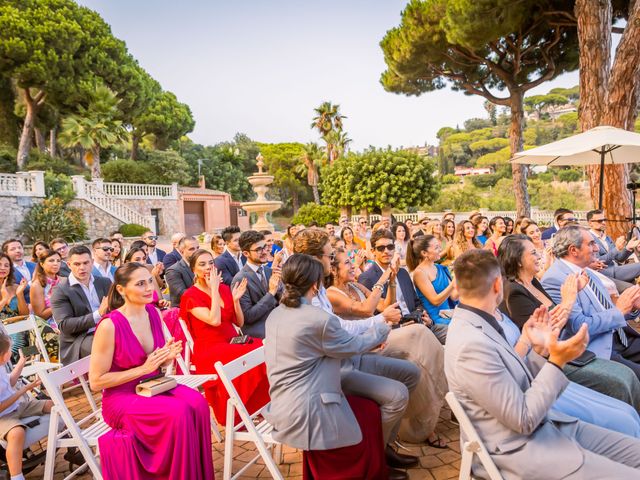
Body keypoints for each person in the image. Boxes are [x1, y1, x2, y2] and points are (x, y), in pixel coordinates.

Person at [446, 248, 640, 479]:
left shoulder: (482, 320)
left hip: (551, 426)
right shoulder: (470, 344)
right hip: (524, 449)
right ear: (498, 285)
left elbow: (508, 372)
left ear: (456, 287)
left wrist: (531, 343)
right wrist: (557, 361)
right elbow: (523, 419)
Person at [292, 229, 421, 474]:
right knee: (397, 395)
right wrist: (379, 326)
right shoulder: (309, 296)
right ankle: (377, 455)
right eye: (330, 256)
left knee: (411, 373)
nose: (332, 261)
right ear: (316, 259)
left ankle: (385, 446)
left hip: (352, 357)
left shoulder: (319, 288)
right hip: (334, 372)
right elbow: (339, 331)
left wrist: (376, 326)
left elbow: (345, 326)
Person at [264, 254, 391, 480]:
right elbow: (352, 345)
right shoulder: (318, 318)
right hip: (308, 410)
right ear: (315, 284)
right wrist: (382, 327)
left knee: (369, 410)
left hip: (282, 403)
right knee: (368, 414)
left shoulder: (276, 313)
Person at [89, 262, 213, 479]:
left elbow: (154, 364)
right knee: (178, 413)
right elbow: (96, 381)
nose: (149, 288)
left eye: (149, 281)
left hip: (152, 386)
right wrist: (144, 368)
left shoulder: (153, 313)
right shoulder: (110, 325)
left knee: (198, 403)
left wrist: (165, 358)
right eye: (140, 284)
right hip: (121, 398)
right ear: (121, 290)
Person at [499, 234, 640, 410]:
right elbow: (544, 334)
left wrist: (628, 308)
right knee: (625, 378)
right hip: (550, 359)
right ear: (518, 260)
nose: (540, 256)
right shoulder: (514, 292)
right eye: (534, 253)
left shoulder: (533, 281)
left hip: (593, 341)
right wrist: (569, 299)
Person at [326, 248, 448, 447]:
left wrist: (391, 280)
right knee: (418, 333)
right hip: (363, 348)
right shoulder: (333, 293)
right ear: (333, 270)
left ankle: (431, 393)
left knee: (418, 356)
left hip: (379, 339)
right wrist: (384, 275)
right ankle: (442, 382)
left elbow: (385, 305)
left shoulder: (356, 286)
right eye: (347, 262)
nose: (352, 265)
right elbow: (366, 311)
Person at [180, 249, 269, 426]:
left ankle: (257, 406)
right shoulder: (190, 295)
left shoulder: (224, 288)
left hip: (233, 341)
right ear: (193, 270)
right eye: (202, 264)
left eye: (211, 263)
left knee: (264, 348)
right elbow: (214, 320)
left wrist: (235, 301)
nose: (208, 267)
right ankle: (239, 412)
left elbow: (239, 321)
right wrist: (213, 289)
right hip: (210, 348)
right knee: (256, 353)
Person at [542, 225, 640, 381]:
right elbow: (579, 327)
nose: (596, 249)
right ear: (573, 250)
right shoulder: (555, 279)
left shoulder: (585, 271)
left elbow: (608, 310)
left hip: (620, 337)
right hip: (599, 347)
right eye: (591, 244)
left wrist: (632, 307)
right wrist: (620, 311)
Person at [359, 229, 448, 344]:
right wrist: (400, 325)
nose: (386, 251)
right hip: (396, 333)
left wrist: (424, 317)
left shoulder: (402, 273)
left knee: (457, 333)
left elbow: (416, 302)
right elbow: (373, 316)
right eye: (381, 248)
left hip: (420, 324)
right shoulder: (367, 278)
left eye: (390, 247)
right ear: (373, 251)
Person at [0, 332, 53, 480]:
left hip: (18, 406)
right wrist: (23, 390)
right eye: (10, 350)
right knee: (17, 433)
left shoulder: (2, 366)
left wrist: (22, 362)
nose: (12, 351)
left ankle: (74, 441)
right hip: (3, 417)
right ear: (3, 355)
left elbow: (10, 382)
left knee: (52, 405)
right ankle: (17, 476)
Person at [51, 245, 111, 365]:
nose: (82, 268)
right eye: (77, 264)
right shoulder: (60, 290)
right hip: (79, 339)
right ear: (69, 265)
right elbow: (65, 325)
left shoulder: (104, 282)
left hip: (108, 330)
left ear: (92, 262)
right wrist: (98, 314)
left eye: (85, 263)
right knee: (107, 344)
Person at [231, 231, 281, 339]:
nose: (264, 252)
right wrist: (271, 293)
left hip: (278, 322)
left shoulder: (269, 271)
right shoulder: (240, 279)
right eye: (258, 249)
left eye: (265, 247)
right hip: (259, 331)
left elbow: (281, 301)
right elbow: (248, 317)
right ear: (246, 253)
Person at [408, 236, 458, 325]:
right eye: (436, 247)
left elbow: (454, 296)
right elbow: (435, 301)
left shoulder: (440, 268)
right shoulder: (420, 273)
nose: (441, 249)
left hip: (448, 315)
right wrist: (453, 283)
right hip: (435, 320)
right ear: (424, 253)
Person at [587, 209, 640, 287]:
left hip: (616, 268)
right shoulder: (589, 238)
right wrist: (617, 249)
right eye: (599, 221)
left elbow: (619, 258)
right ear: (590, 223)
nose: (603, 223)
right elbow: (598, 262)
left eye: (604, 220)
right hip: (606, 272)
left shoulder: (607, 238)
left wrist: (629, 247)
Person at [165, 236, 199, 307]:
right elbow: (184, 294)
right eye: (191, 249)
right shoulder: (173, 270)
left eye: (197, 248)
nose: (196, 251)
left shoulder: (203, 266)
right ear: (181, 252)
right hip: (184, 310)